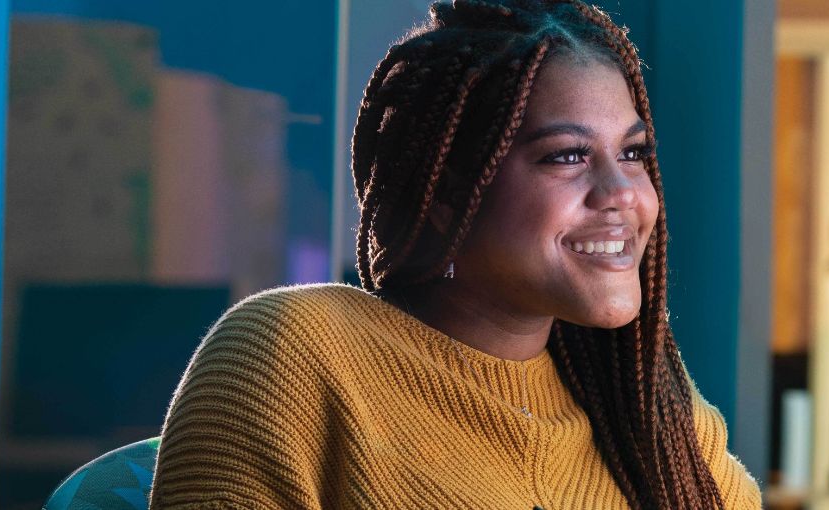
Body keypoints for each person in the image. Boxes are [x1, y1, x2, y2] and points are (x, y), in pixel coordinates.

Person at [150, 1, 762, 507]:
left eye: (632, 153)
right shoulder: (297, 355)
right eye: (566, 156)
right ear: (446, 192)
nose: (624, 193)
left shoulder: (654, 412)